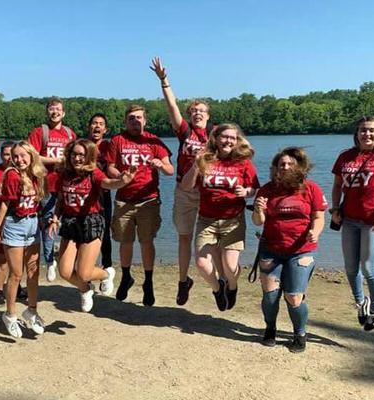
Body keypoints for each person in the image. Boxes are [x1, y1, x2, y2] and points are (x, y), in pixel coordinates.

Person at [150, 57, 214, 306]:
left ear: (208, 116)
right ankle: (182, 281)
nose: (197, 113)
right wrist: (164, 80)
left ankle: (215, 278)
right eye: (193, 111)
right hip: (184, 191)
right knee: (184, 236)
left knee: (210, 239)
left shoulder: (216, 134)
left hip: (209, 192)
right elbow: (172, 106)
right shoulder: (185, 131)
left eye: (201, 111)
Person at [252, 147, 326, 353]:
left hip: (302, 250)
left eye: (290, 164)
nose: (285, 167)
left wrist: (316, 231)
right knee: (270, 295)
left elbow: (319, 217)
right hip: (271, 248)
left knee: (294, 296)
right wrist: (258, 209)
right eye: (281, 164)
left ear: (299, 167)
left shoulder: (311, 188)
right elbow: (258, 222)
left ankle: (300, 334)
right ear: (275, 168)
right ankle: (270, 329)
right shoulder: (267, 189)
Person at [331, 116, 374, 331]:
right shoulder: (345, 156)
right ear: (357, 133)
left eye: (371, 130)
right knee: (351, 268)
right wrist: (335, 209)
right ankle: (361, 303)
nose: (367, 134)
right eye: (363, 130)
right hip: (349, 220)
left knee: (369, 267)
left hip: (373, 221)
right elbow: (336, 186)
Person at [48, 139, 136, 312]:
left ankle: (106, 274)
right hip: (70, 223)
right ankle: (86, 289)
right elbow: (60, 199)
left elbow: (108, 184)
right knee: (65, 271)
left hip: (91, 222)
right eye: (74, 154)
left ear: (88, 156)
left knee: (84, 273)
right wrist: (55, 218)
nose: (77, 158)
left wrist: (123, 181)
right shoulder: (64, 173)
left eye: (81, 154)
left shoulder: (93, 173)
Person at [181, 123, 259, 311]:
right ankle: (218, 289)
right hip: (206, 219)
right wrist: (195, 163)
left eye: (232, 138)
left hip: (233, 220)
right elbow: (186, 186)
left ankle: (232, 287)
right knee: (201, 263)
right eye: (225, 137)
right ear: (215, 139)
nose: (228, 141)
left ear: (237, 140)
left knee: (230, 266)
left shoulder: (243, 162)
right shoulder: (205, 160)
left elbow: (255, 188)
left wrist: (246, 192)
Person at [106, 104, 174, 306]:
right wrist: (120, 176)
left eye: (139, 118)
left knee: (146, 242)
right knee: (125, 241)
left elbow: (170, 169)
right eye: (131, 118)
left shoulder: (153, 141)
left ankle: (149, 281)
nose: (135, 121)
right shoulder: (118, 140)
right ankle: (126, 276)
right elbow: (110, 166)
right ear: (125, 121)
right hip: (124, 199)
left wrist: (161, 165)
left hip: (148, 201)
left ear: (145, 120)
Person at [0, 141, 47, 338]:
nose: (19, 160)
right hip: (15, 225)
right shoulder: (12, 176)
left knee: (33, 272)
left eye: (23, 155)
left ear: (31, 156)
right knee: (16, 274)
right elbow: (5, 204)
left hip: (33, 224)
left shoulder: (36, 174)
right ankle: (10, 314)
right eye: (15, 156)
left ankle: (31, 310)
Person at [28, 97, 77, 282]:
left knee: (68, 222)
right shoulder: (40, 132)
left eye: (58, 109)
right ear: (47, 112)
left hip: (66, 185)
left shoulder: (69, 134)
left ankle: (69, 259)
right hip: (45, 185)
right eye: (51, 109)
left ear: (63, 113)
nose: (55, 112)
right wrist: (55, 161)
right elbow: (31, 156)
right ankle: (49, 262)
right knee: (48, 222)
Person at [0, 140, 27, 305]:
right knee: (1, 258)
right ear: (1, 155)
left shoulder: (23, 172)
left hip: (18, 221)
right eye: (7, 154)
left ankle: (15, 287)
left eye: (14, 155)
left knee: (17, 259)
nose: (10, 158)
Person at [87, 113, 113, 270]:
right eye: (94, 123)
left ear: (105, 129)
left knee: (105, 230)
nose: (97, 126)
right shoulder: (82, 145)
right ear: (89, 126)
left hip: (104, 195)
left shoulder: (109, 146)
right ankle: (86, 265)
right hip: (83, 194)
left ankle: (107, 265)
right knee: (84, 230)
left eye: (101, 124)